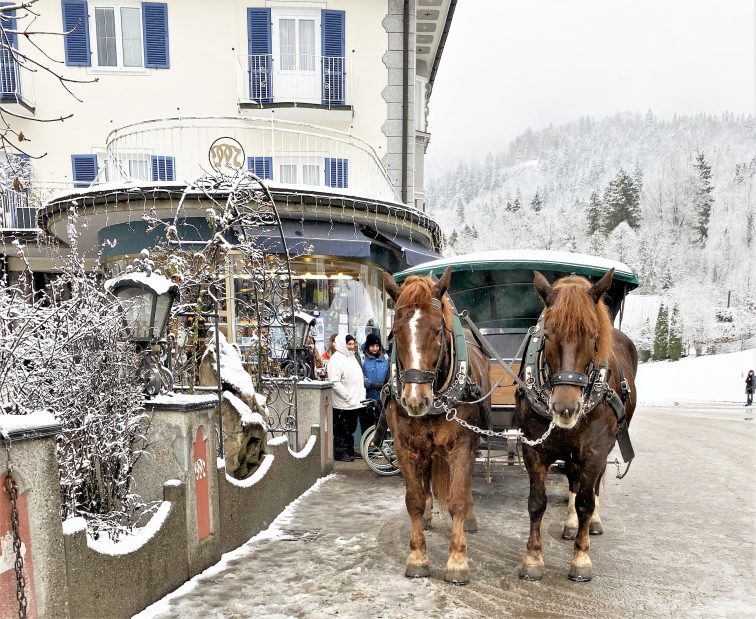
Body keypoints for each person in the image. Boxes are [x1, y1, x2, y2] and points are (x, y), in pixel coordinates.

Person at [326, 333, 366, 461]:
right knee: (341, 429)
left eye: (353, 344)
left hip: (354, 402)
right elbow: (334, 382)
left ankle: (349, 450)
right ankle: (340, 452)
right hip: (343, 403)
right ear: (343, 344)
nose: (351, 346)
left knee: (351, 428)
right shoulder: (336, 359)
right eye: (349, 344)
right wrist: (347, 396)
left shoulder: (352, 357)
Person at [361, 333, 389, 434]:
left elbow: (389, 373)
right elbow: (360, 376)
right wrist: (370, 383)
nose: (375, 348)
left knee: (382, 423)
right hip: (368, 397)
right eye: (372, 346)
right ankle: (368, 445)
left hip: (382, 397)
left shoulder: (385, 358)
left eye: (377, 346)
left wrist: (386, 383)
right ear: (368, 346)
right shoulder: (363, 359)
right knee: (368, 424)